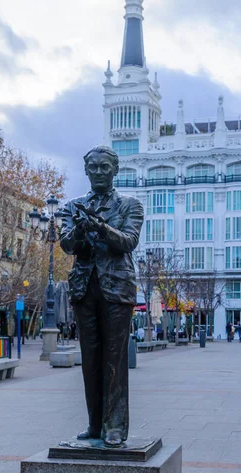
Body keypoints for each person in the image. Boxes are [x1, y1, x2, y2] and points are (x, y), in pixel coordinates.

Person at [60, 145, 144, 447]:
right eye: (93, 167)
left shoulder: (130, 205)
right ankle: (95, 424)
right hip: (84, 289)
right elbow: (67, 245)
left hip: (117, 289)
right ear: (85, 170)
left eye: (104, 167)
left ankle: (115, 426)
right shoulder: (73, 206)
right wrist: (81, 230)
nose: (98, 172)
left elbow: (128, 241)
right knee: (90, 361)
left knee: (114, 360)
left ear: (115, 170)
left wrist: (101, 227)